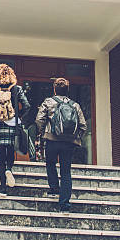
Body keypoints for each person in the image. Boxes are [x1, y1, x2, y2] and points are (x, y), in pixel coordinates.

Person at [35, 77, 87, 212]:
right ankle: (64, 204)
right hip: (69, 142)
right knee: (66, 171)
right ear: (67, 90)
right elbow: (83, 126)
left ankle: (54, 189)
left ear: (54, 89)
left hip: (52, 140)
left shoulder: (48, 102)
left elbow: (39, 119)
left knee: (50, 163)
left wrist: (43, 133)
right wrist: (76, 138)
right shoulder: (75, 105)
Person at [0, 64, 30, 197]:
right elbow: (27, 106)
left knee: (0, 157)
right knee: (11, 150)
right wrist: (18, 116)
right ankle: (9, 169)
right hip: (12, 124)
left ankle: (3, 188)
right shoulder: (17, 89)